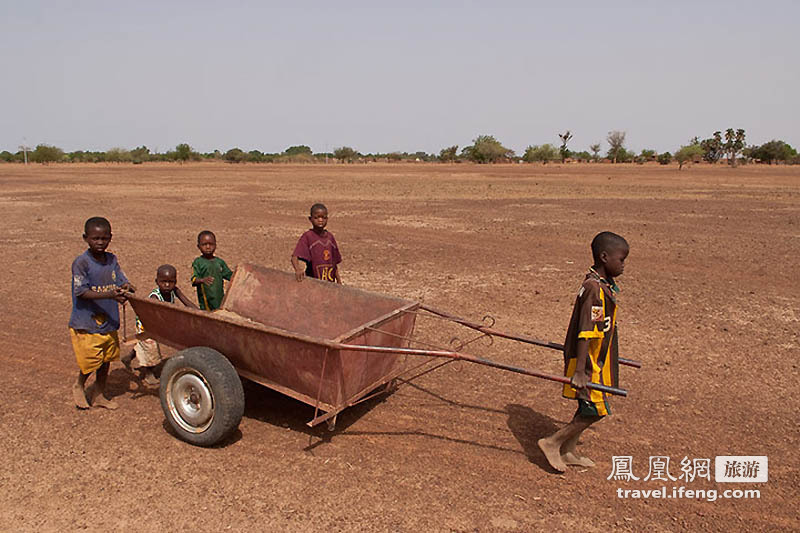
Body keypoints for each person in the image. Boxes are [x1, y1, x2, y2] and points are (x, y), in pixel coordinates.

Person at [537, 231, 629, 473]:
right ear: (604, 257)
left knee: (586, 406)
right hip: (588, 363)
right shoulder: (594, 289)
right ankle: (552, 443)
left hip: (597, 359)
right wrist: (580, 371)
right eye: (621, 260)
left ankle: (568, 451)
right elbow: (586, 331)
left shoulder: (602, 286)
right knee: (596, 410)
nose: (623, 265)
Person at [69, 216, 135, 410]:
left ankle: (99, 393)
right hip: (88, 321)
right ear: (85, 238)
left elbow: (120, 279)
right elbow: (81, 291)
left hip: (109, 320)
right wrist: (110, 294)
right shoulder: (81, 263)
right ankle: (79, 385)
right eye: (95, 238)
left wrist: (126, 288)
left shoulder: (112, 260)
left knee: (106, 359)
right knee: (91, 360)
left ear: (110, 238)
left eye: (104, 238)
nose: (100, 242)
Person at [122, 264, 196, 385]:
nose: (167, 285)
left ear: (175, 282)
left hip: (159, 322)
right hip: (146, 323)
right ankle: (149, 373)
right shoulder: (155, 297)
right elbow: (157, 317)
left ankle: (128, 357)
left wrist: (200, 313)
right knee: (150, 347)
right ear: (157, 281)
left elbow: (187, 302)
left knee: (144, 346)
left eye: (171, 282)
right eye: (163, 282)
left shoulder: (175, 291)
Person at [291, 203, 342, 283]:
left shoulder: (330, 238)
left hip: (329, 284)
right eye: (316, 217)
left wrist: (339, 281)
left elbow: (334, 263)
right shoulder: (308, 236)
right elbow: (295, 257)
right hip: (314, 283)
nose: (320, 220)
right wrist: (298, 269)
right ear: (310, 219)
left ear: (327, 219)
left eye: (323, 217)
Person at [191, 230, 233, 310]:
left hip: (219, 296)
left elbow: (229, 275)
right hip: (206, 299)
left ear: (215, 245)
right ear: (198, 246)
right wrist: (202, 280)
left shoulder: (219, 262)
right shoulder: (198, 262)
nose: (208, 247)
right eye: (204, 244)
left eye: (211, 244)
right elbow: (193, 279)